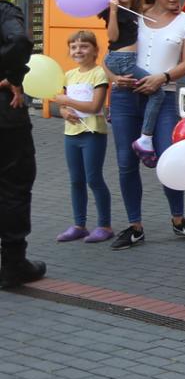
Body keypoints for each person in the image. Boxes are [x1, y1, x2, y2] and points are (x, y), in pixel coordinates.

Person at [107, 0, 185, 249]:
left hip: (163, 95)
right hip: (126, 96)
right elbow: (111, 53)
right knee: (126, 162)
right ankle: (135, 226)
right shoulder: (134, 15)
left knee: (168, 158)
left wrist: (162, 77)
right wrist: (113, 78)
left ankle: (179, 219)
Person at [0, 0, 44, 289]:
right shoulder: (5, 12)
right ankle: (13, 264)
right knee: (14, 184)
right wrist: (13, 77)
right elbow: (19, 40)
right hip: (6, 114)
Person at [51, 31, 114, 244]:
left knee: (94, 179)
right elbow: (62, 106)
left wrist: (66, 101)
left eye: (84, 46)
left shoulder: (99, 74)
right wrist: (63, 112)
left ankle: (105, 225)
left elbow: (95, 106)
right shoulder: (68, 75)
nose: (78, 51)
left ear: (95, 51)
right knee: (76, 180)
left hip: (92, 134)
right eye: (74, 47)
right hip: (71, 134)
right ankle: (79, 225)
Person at [96, 0, 164, 155]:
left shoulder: (134, 10)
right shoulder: (114, 11)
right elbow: (113, 37)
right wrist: (113, 11)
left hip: (125, 59)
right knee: (157, 93)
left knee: (134, 89)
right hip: (123, 60)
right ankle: (145, 138)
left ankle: (114, 112)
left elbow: (152, 7)